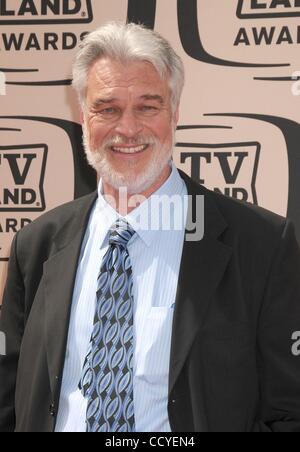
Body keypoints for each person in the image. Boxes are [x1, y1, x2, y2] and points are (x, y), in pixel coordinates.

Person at [0, 22, 300, 433]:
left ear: (175, 112)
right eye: (107, 108)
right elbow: (9, 397)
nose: (127, 129)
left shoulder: (263, 245)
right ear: (82, 116)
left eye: (147, 106)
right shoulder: (37, 245)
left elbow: (289, 411)